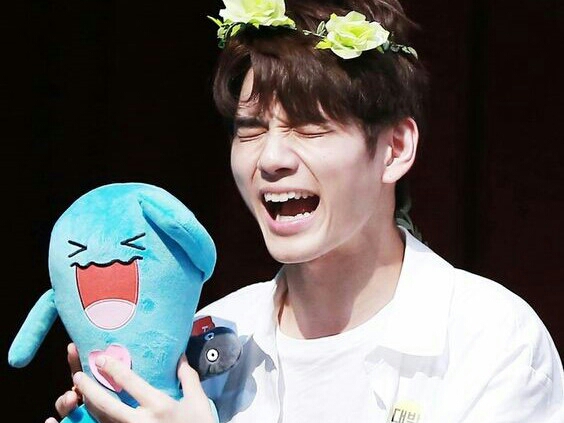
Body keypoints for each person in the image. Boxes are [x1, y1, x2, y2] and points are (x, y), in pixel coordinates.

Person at [46, 0, 564, 422]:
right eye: (251, 129)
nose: (271, 158)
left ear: (395, 148)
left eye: (310, 127)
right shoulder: (206, 338)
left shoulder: (491, 340)